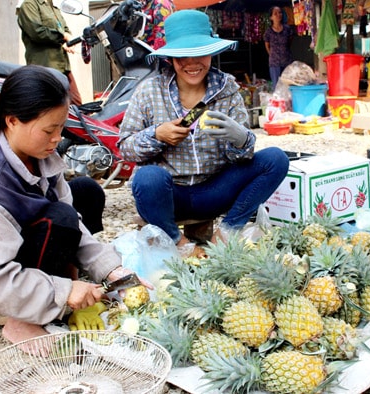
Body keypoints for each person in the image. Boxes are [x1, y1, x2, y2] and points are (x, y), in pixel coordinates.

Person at [0, 65, 150, 347]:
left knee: (86, 191)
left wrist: (111, 270)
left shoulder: (39, 155)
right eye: (48, 129)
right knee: (60, 217)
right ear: (12, 121)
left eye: (60, 127)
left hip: (15, 251)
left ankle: (57, 288)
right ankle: (21, 321)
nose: (57, 138)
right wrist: (64, 291)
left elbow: (76, 223)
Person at [118, 10, 289, 255]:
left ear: (211, 52)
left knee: (275, 159)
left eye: (200, 53)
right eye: (182, 56)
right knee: (148, 178)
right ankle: (179, 243)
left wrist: (239, 138)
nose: (192, 63)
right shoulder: (149, 91)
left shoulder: (227, 88)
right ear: (170, 58)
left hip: (214, 190)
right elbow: (124, 146)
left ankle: (227, 232)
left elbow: (243, 156)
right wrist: (157, 135)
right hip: (170, 195)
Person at [17, 0, 83, 106]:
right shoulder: (29, 5)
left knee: (77, 106)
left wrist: (66, 42)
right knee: (50, 107)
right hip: (44, 66)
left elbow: (65, 29)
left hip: (62, 65)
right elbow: (37, 32)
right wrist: (62, 37)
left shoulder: (53, 7)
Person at [264, 6, 294, 90]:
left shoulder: (287, 29)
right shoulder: (268, 31)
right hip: (274, 63)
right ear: (271, 17)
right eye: (275, 13)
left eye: (280, 12)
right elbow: (267, 45)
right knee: (276, 86)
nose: (278, 15)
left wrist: (284, 50)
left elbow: (290, 41)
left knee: (288, 85)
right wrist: (272, 55)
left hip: (287, 60)